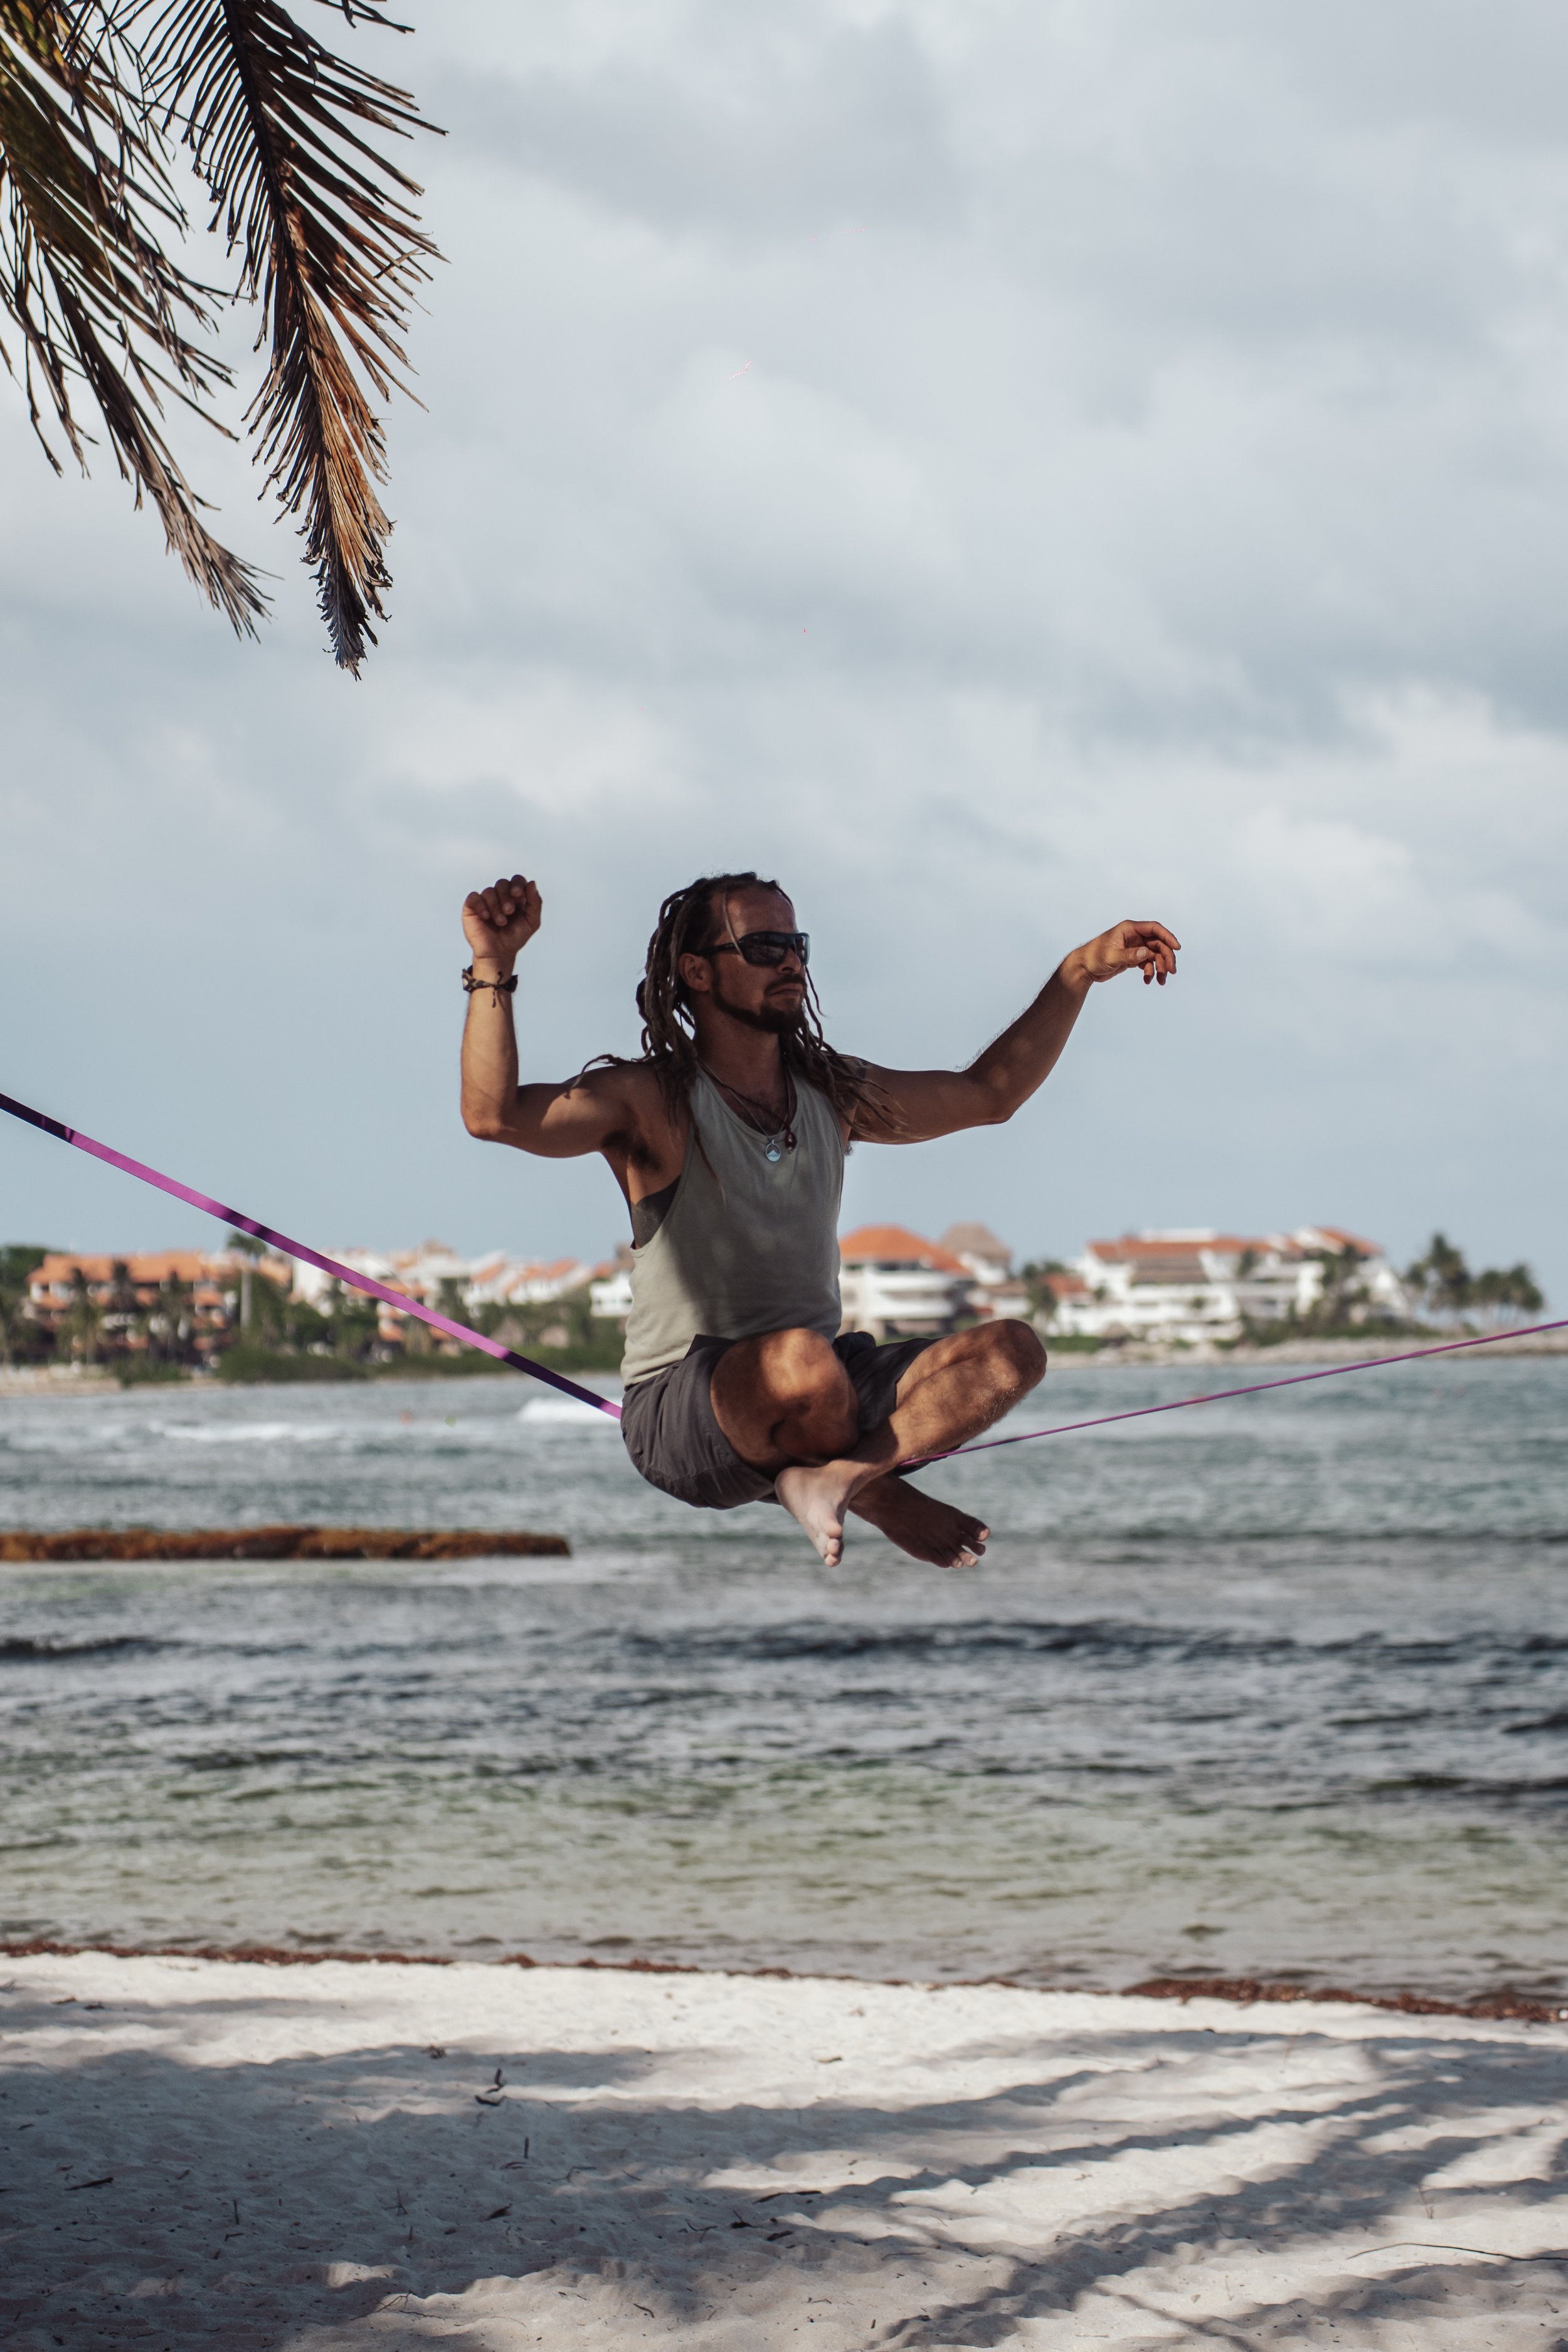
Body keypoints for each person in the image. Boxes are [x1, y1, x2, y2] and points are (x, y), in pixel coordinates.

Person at [460, 871, 1179, 1569]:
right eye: (765, 947)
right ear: (698, 972)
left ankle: (839, 1479)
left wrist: (1080, 970)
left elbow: (989, 1094)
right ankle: (883, 1499)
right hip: (682, 1408)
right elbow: (493, 1117)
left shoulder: (832, 1094)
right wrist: (493, 966)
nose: (792, 963)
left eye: (798, 945)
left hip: (822, 1386)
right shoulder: (651, 1101)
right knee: (804, 1361)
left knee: (1012, 1353)